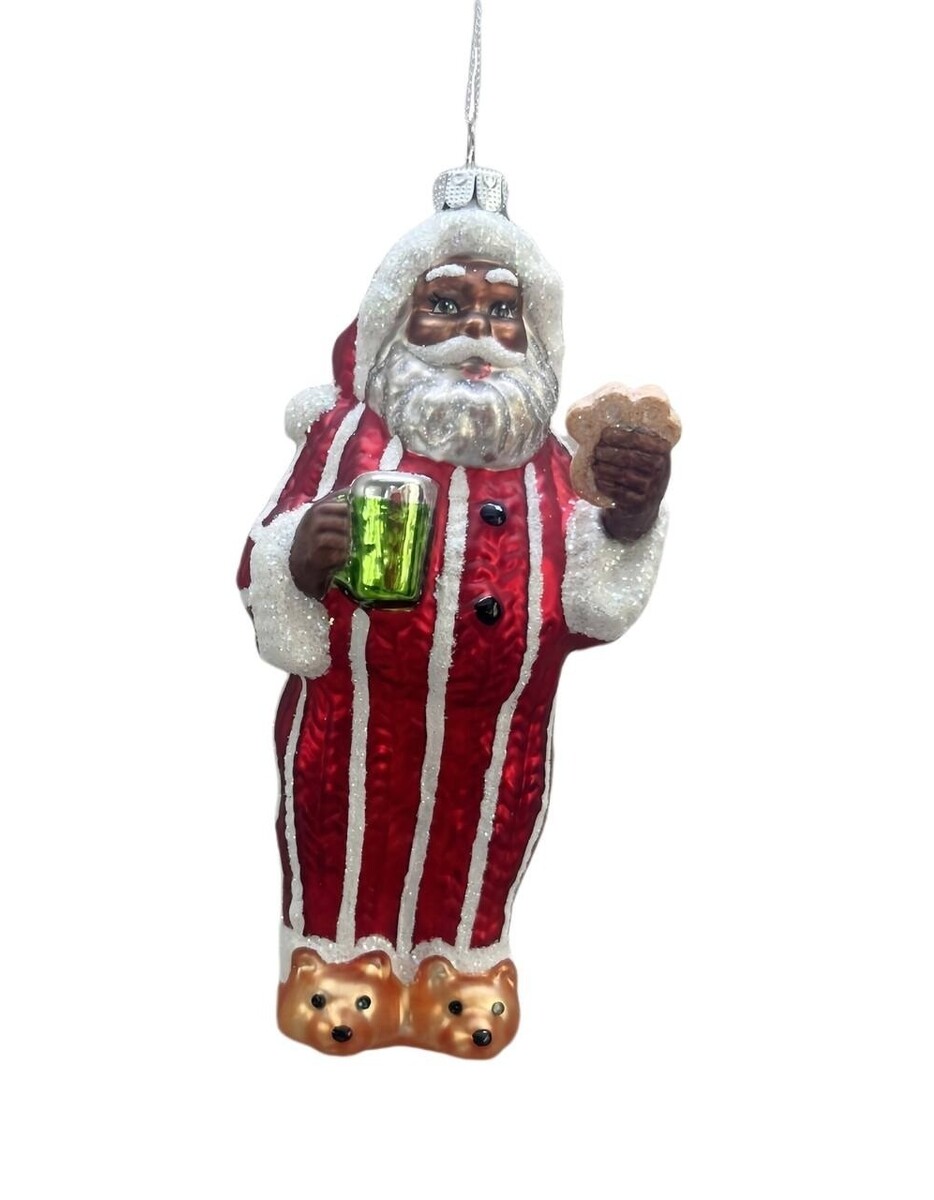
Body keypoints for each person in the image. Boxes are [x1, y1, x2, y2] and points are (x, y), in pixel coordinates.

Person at [238, 168, 672, 1055]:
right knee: (345, 826)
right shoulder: (346, 438)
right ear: (397, 318)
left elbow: (594, 599)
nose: (479, 330)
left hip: (501, 729)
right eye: (446, 305)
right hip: (355, 714)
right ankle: (336, 962)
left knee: (480, 842)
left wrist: (631, 518)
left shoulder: (553, 461)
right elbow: (259, 565)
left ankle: (461, 967)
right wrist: (300, 556)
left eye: (502, 311)